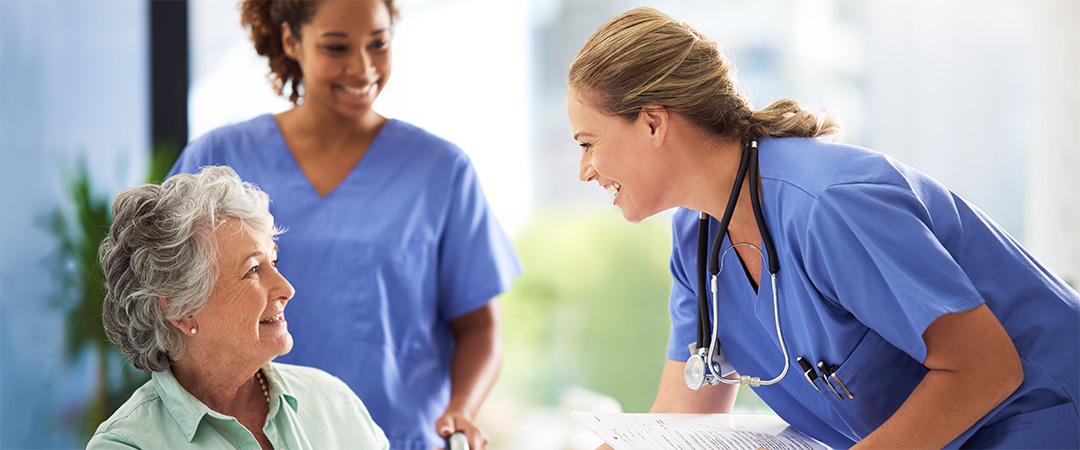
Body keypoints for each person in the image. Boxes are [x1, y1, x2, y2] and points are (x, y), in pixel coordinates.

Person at [567, 7, 1079, 450]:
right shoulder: (697, 242)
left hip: (1042, 419)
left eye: (589, 143)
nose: (584, 169)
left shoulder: (829, 206)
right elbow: (681, 418)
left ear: (654, 123)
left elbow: (987, 369)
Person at [169, 1, 521, 448]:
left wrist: (461, 411)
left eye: (379, 43)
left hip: (400, 439)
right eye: (336, 47)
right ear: (291, 41)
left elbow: (479, 326)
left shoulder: (441, 170)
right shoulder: (217, 160)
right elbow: (170, 304)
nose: (363, 68)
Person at [88, 166, 388, 449]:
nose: (287, 289)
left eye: (274, 261)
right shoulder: (129, 444)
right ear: (182, 309)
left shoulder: (334, 401)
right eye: (253, 270)